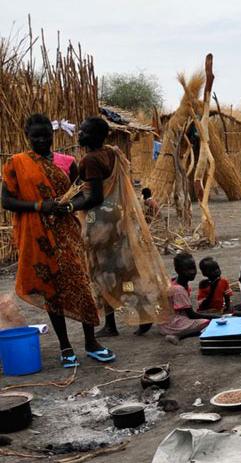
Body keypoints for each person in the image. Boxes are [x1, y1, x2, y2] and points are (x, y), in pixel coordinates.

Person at [1, 113, 111, 368]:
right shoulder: (17, 163)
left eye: (46, 136)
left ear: (53, 135)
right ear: (27, 137)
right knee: (51, 290)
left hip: (66, 232)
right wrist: (40, 206)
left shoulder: (68, 162)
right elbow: (6, 201)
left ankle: (91, 342)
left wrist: (69, 206)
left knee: (81, 284)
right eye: (35, 137)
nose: (41, 140)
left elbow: (83, 193)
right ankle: (65, 347)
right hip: (38, 236)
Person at [79, 116, 167, 339]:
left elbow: (95, 197)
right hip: (116, 218)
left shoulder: (90, 159)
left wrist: (70, 205)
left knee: (101, 272)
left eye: (84, 131)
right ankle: (143, 311)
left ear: (95, 136)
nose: (80, 134)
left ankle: (111, 325)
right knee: (123, 267)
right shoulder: (111, 153)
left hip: (99, 223)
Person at [159, 253, 217, 344]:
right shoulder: (179, 290)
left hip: (165, 323)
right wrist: (215, 317)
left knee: (207, 317)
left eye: (193, 268)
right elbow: (191, 315)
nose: (192, 272)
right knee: (208, 323)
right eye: (188, 269)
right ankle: (178, 336)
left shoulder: (174, 281)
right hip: (173, 325)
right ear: (178, 270)